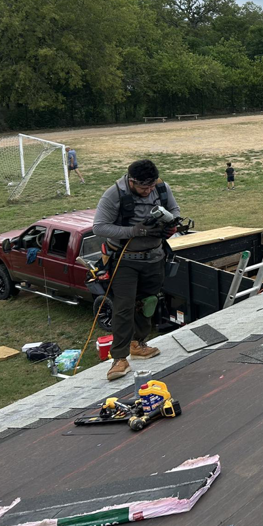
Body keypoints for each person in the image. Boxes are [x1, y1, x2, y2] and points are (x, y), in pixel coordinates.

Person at [93, 160, 180, 381]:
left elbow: (174, 209)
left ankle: (138, 343)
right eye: (143, 188)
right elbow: (99, 226)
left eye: (151, 187)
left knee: (149, 301)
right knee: (123, 307)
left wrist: (171, 225)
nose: (148, 191)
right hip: (125, 260)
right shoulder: (114, 194)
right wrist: (134, 230)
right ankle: (119, 358)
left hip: (155, 257)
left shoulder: (161, 187)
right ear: (131, 181)